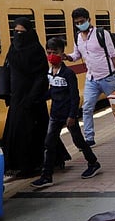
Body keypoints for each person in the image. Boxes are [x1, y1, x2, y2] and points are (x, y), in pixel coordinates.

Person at [31, 38, 101, 188]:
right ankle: (46, 176)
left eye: (55, 52)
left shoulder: (68, 73)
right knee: (49, 144)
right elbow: (53, 92)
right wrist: (37, 99)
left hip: (68, 115)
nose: (51, 56)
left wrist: (72, 115)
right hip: (55, 114)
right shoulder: (50, 73)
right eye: (49, 52)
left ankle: (93, 163)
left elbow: (74, 96)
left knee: (78, 141)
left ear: (63, 54)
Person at [64, 7, 115, 144]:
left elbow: (113, 55)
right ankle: (89, 138)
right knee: (87, 107)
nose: (80, 24)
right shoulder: (78, 38)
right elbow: (76, 55)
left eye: (82, 21)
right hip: (91, 79)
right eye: (77, 22)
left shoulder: (102, 34)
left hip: (108, 77)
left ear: (89, 19)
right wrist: (67, 57)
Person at [2, 17, 50, 178]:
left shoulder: (36, 50)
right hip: (16, 96)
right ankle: (17, 165)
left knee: (33, 132)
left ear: (29, 33)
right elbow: (9, 69)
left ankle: (33, 165)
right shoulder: (13, 49)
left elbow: (41, 75)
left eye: (22, 32)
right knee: (16, 131)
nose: (18, 35)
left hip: (32, 99)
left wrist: (33, 96)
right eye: (16, 32)